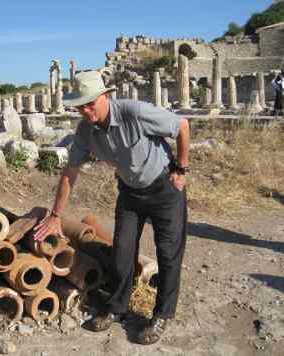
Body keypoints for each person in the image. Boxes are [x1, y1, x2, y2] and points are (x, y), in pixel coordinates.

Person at [33, 70, 190, 345]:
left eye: (90, 102)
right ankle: (117, 308)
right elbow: (70, 173)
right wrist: (55, 215)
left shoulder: (134, 112)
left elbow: (182, 126)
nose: (85, 109)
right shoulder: (84, 131)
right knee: (122, 251)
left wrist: (182, 167)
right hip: (130, 194)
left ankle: (162, 314)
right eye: (79, 105)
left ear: (105, 96)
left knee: (168, 254)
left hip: (164, 189)